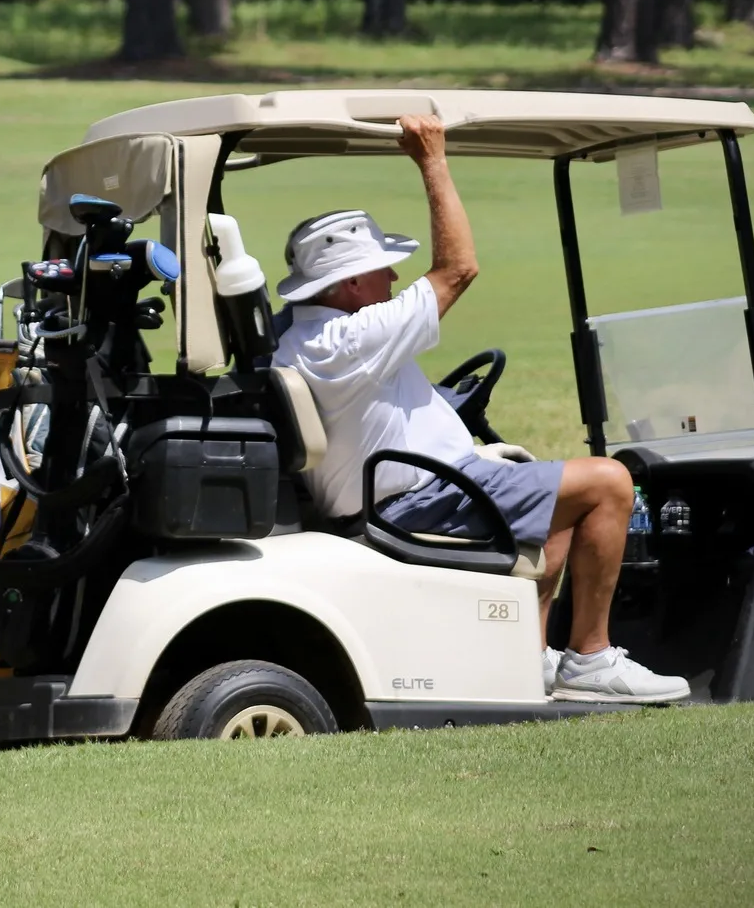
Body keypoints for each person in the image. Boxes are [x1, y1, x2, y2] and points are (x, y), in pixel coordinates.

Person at [272, 113, 689, 705]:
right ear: (347, 286)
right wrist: (432, 159)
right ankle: (592, 659)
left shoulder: (304, 334)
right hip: (418, 500)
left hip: (409, 490)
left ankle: (530, 662)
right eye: (380, 269)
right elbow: (458, 269)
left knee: (550, 498)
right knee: (610, 484)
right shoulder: (355, 338)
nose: (393, 275)